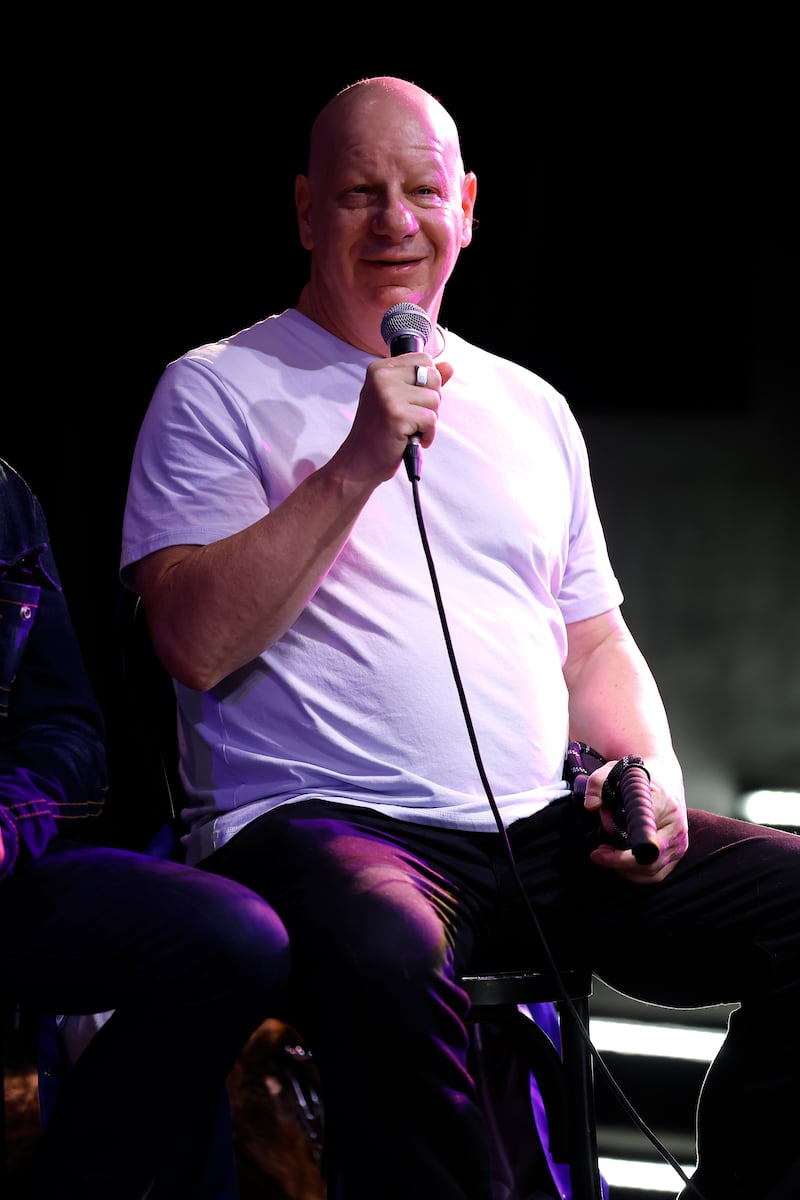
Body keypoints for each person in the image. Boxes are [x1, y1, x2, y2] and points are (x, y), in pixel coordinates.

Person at [120, 76, 800, 1200]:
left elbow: (591, 642)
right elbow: (192, 642)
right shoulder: (214, 390)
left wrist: (653, 780)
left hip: (532, 831)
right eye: (356, 193)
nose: (394, 220)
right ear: (303, 212)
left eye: (419, 191)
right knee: (389, 947)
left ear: (467, 206)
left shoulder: (528, 406)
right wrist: (354, 461)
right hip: (322, 827)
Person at [0, 455, 292, 1199]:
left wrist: (8, 823)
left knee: (229, 938)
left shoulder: (3, 495)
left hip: (6, 861)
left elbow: (65, 730)